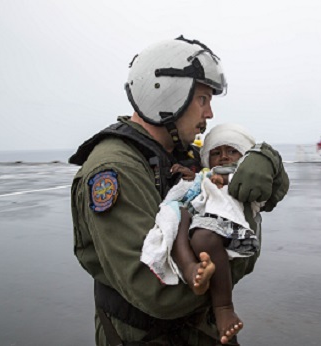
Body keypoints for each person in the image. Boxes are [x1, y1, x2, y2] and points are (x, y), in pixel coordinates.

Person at [69, 35, 290, 346]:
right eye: (202, 99)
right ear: (167, 95)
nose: (210, 113)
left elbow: (258, 189)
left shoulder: (178, 154)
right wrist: (240, 240)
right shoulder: (115, 170)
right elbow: (161, 292)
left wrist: (267, 162)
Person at [141, 123, 264, 344]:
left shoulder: (245, 173)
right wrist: (191, 176)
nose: (224, 157)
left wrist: (224, 180)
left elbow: (244, 183)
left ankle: (224, 307)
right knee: (176, 217)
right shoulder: (208, 172)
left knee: (203, 238)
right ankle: (190, 268)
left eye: (232, 151)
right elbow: (200, 182)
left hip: (221, 221)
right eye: (216, 153)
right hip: (198, 215)